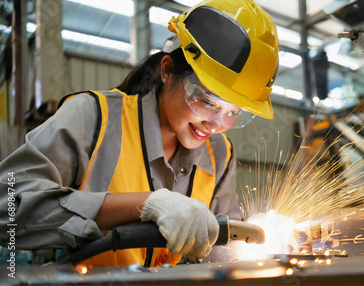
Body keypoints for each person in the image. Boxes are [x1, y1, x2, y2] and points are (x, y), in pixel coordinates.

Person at [0, 0, 279, 268]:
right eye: (208, 101)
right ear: (168, 70)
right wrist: (145, 205)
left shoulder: (219, 153)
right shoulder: (92, 117)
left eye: (234, 112)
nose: (216, 124)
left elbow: (223, 251)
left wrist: (257, 236)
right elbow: (6, 207)